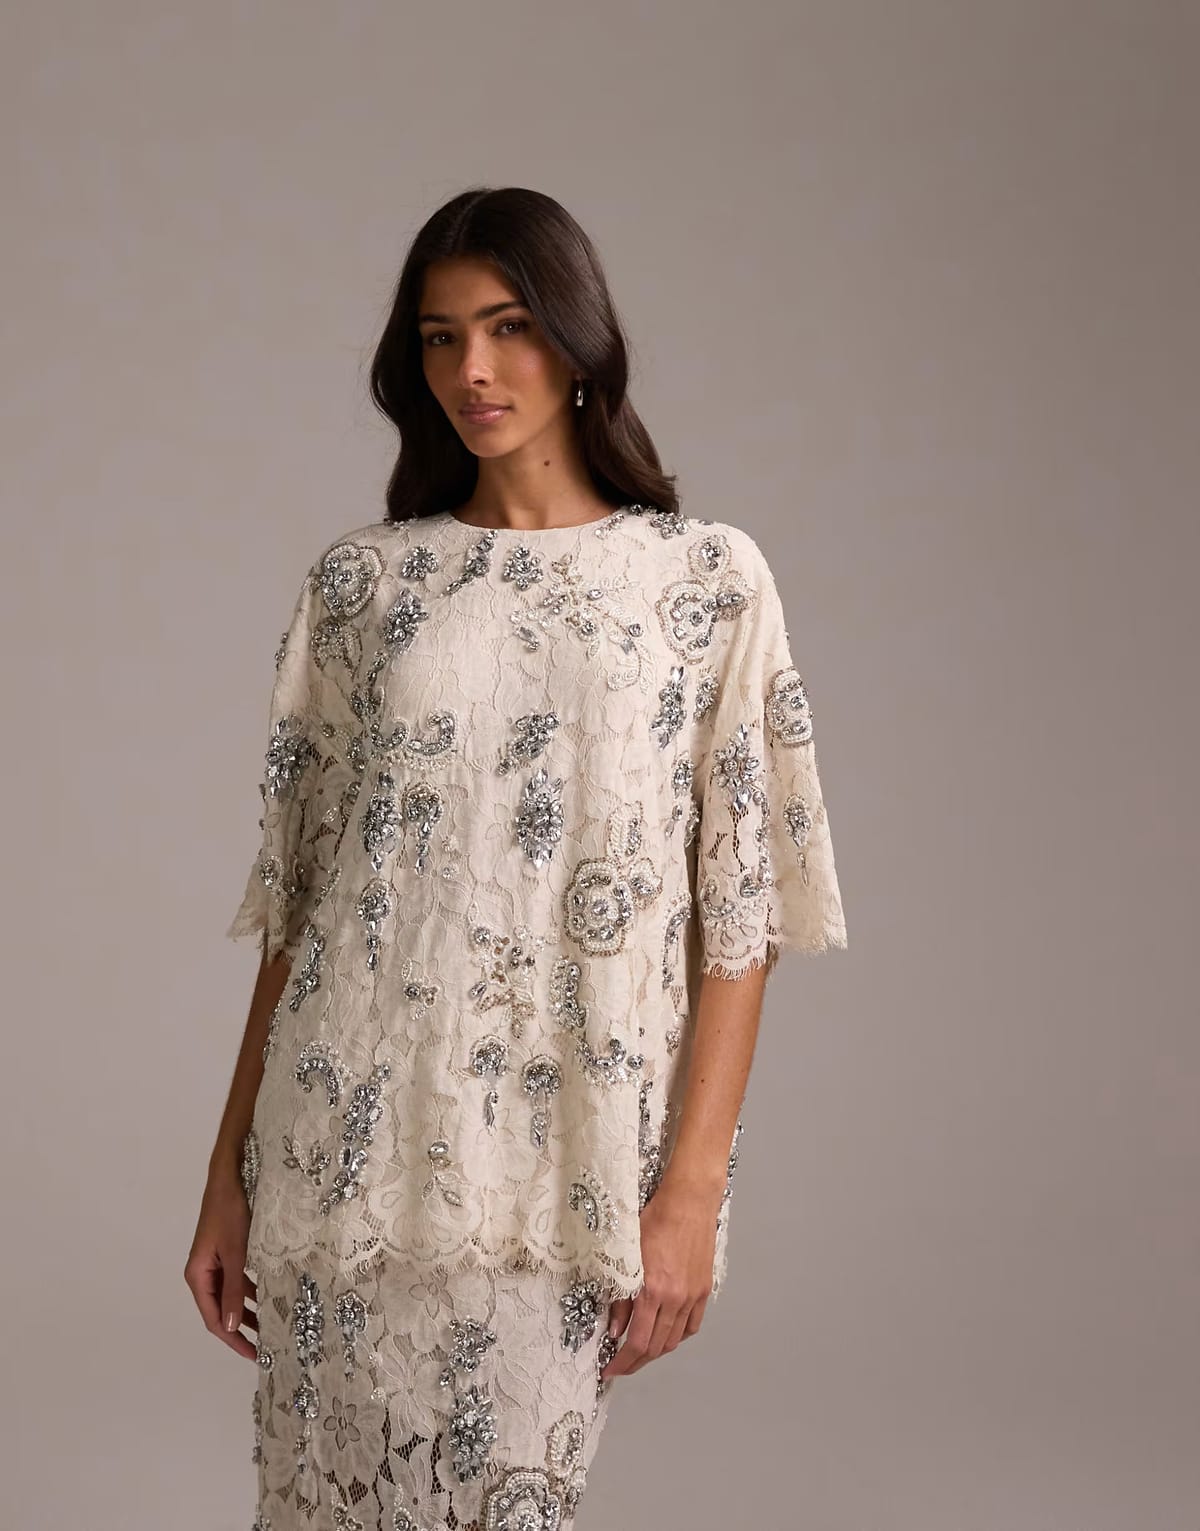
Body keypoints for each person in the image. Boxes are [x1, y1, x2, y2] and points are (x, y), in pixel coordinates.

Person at [185, 185, 848, 1531]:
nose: (473, 372)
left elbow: (742, 913)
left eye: (508, 328)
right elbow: (308, 908)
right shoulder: (364, 585)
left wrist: (691, 1194)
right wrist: (226, 1174)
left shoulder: (705, 582)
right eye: (440, 339)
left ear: (579, 340)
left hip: (565, 1173)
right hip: (338, 1150)